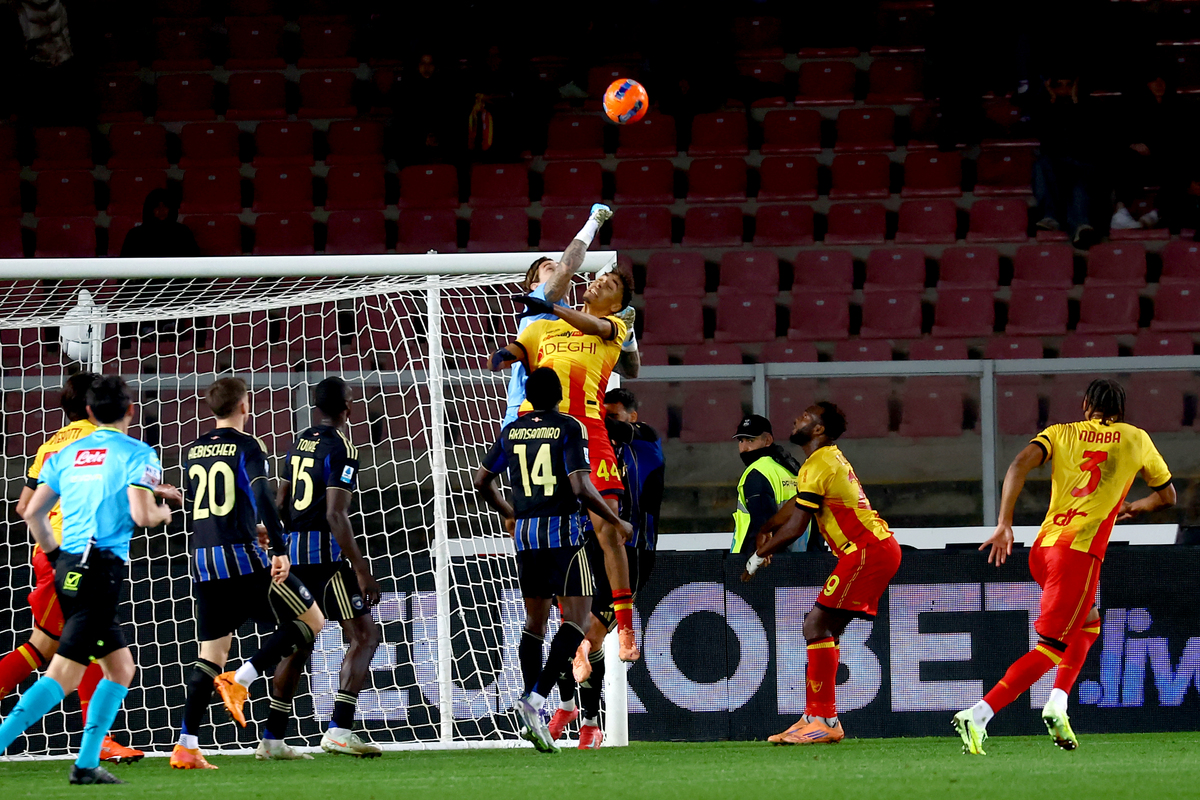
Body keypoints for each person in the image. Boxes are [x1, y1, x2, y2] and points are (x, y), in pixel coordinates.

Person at [954, 378, 1174, 755]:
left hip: (1044, 548)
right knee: (1050, 648)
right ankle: (979, 713)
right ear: (1120, 411)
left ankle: (1057, 703)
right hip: (1079, 554)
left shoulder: (1060, 432)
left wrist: (1005, 523)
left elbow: (1018, 464)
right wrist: (1135, 508)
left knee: (1089, 623)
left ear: (1086, 404)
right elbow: (1167, 495)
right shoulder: (1136, 438)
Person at [0, 376, 178, 785]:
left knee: (120, 668)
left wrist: (52, 554)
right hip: (101, 570)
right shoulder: (138, 452)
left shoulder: (67, 451)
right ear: (131, 410)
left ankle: (86, 764)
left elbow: (30, 512)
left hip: (67, 567)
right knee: (61, 675)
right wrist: (165, 512)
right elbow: (142, 515)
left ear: (91, 413)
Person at [473, 368, 633, 753]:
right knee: (577, 620)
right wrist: (615, 520)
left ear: (527, 396)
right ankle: (535, 701)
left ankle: (533, 705)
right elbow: (580, 485)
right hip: (562, 534)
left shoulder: (512, 430)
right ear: (559, 395)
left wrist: (509, 511)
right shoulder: (570, 426)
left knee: (535, 624)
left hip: (526, 535)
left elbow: (481, 480)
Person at [170, 378, 325, 769]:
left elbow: (201, 503)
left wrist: (245, 526)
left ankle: (187, 744)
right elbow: (260, 495)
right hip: (241, 559)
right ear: (244, 405)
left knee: (210, 654)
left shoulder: (193, 449)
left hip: (203, 560)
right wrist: (277, 546)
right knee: (312, 620)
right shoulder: (248, 445)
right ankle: (243, 678)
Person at [491, 268, 641, 661]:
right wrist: (504, 355)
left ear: (617, 304)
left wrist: (552, 306)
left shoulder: (614, 326)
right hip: (542, 434)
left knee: (608, 528)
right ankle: (567, 628)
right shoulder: (545, 327)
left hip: (588, 431)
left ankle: (625, 627)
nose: (597, 284)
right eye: (598, 280)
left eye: (609, 286)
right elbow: (521, 349)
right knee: (552, 536)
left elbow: (593, 324)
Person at [741, 402, 902, 745]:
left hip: (866, 550)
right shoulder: (821, 462)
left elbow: (798, 526)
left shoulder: (819, 463)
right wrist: (766, 527)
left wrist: (758, 555)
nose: (797, 417)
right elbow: (796, 507)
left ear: (817, 430)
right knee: (825, 630)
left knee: (814, 625)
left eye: (806, 416)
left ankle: (822, 718)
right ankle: (821, 717)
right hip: (872, 549)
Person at [270, 377, 383, 757]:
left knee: (299, 643)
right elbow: (337, 514)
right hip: (326, 560)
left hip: (294, 557)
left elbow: (281, 501)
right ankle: (339, 729)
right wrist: (362, 570)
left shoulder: (297, 442)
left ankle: (271, 738)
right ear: (347, 409)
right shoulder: (343, 448)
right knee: (365, 636)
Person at [550, 386, 665, 749]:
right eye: (603, 415)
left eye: (613, 416)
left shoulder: (645, 438)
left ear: (632, 415)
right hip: (586, 547)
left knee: (588, 636)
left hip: (632, 553)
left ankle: (578, 715)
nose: (606, 422)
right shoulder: (590, 449)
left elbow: (620, 433)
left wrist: (583, 417)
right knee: (576, 638)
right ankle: (587, 721)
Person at [502, 203, 614, 428]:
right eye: (548, 268)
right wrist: (594, 222)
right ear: (534, 285)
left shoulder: (572, 320)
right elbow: (566, 268)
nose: (558, 269)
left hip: (561, 408)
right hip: (526, 407)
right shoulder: (540, 297)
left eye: (556, 266)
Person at [1030, 73, 1104, 249]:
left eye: (1068, 85)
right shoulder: (1045, 109)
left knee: (1078, 180)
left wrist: (1076, 103)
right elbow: (1047, 140)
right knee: (1042, 163)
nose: (1063, 90)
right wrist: (1052, 101)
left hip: (1085, 165)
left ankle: (1080, 226)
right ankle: (1053, 218)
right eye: (1058, 85)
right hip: (1057, 168)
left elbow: (1088, 140)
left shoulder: (1092, 106)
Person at [730, 414, 806, 556]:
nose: (744, 448)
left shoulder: (757, 472)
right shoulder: (793, 470)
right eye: (741, 441)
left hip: (762, 563)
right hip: (802, 561)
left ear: (768, 441)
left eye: (751, 440)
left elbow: (763, 529)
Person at [120, 188, 200, 258]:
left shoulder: (183, 233)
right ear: (150, 209)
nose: (161, 210)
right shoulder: (135, 236)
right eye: (157, 206)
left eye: (165, 205)